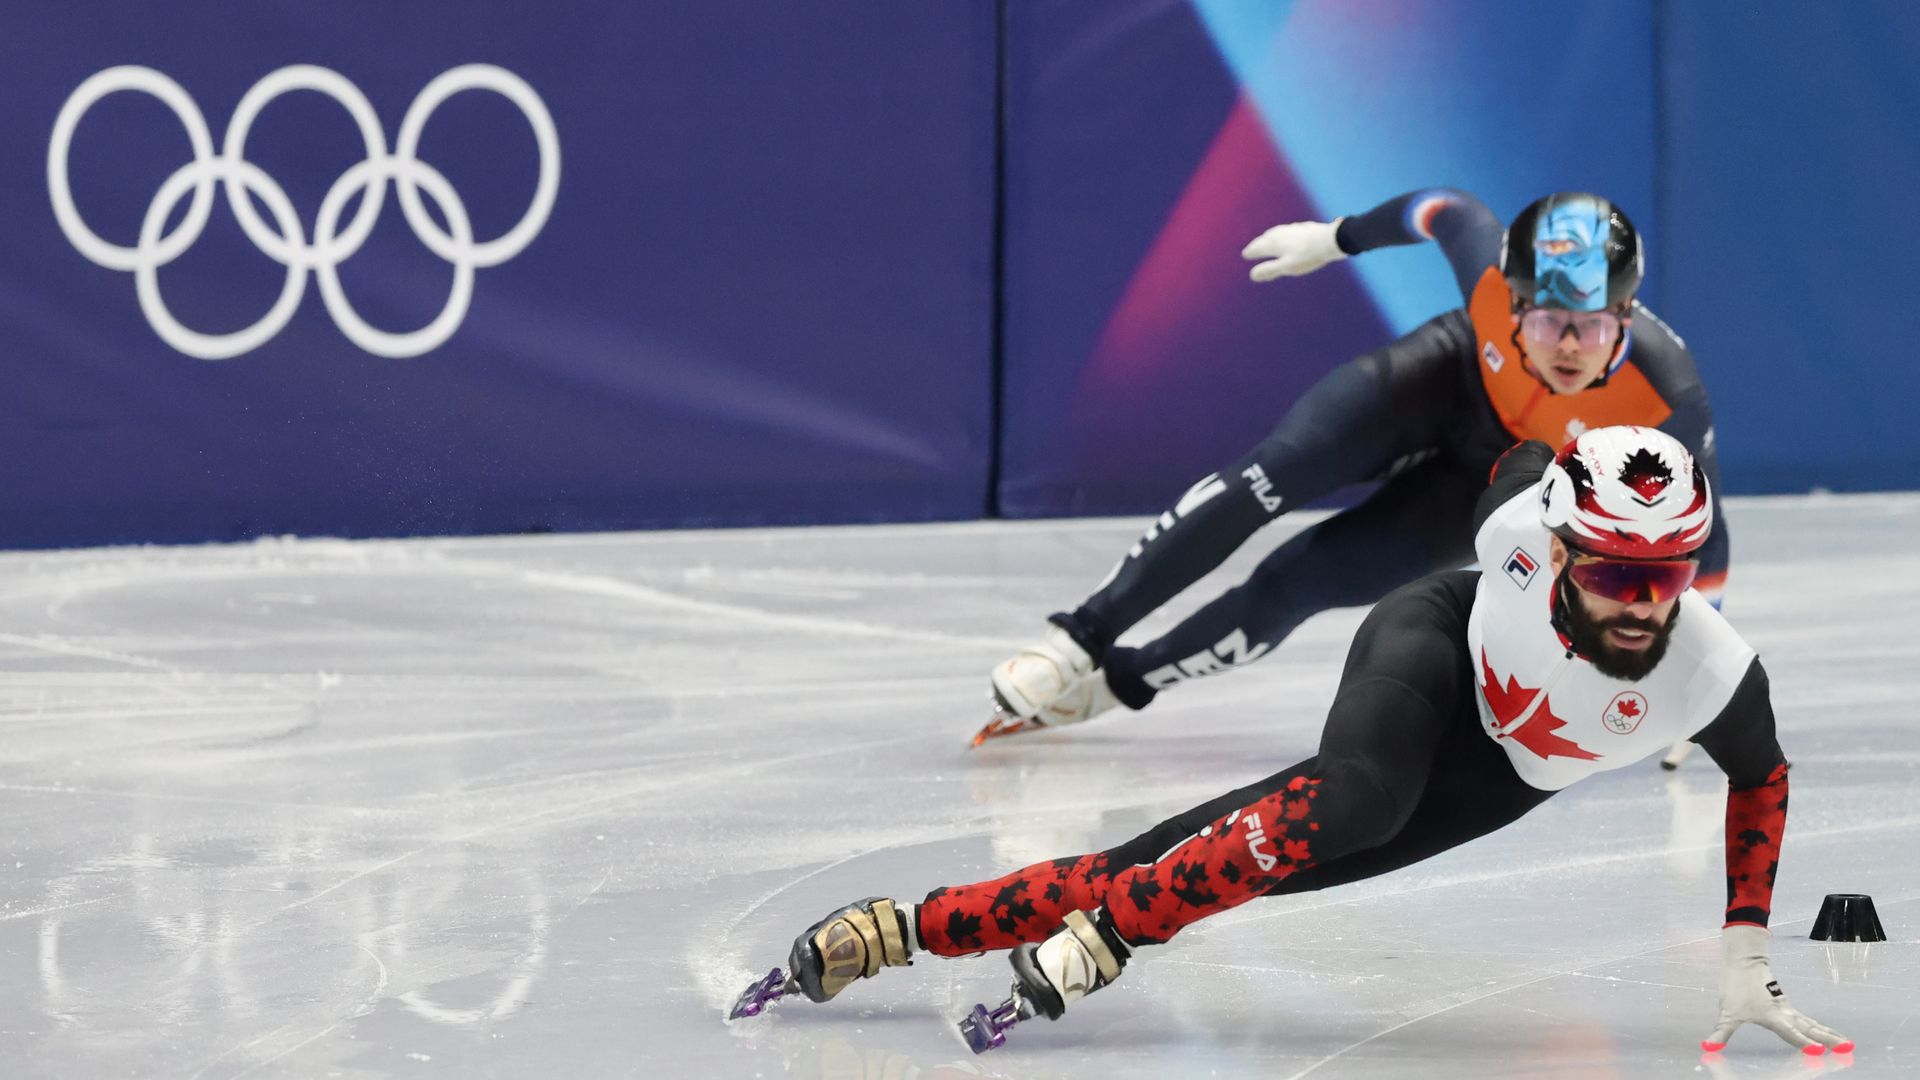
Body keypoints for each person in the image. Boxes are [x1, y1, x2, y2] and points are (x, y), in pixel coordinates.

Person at [735, 426, 1847, 1059]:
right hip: (1428, 646)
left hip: (1500, 774)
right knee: (1350, 799)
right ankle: (1119, 931)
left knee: (1221, 856)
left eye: (1667, 575)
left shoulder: (1712, 669)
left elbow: (1765, 777)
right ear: (1556, 553)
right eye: (1611, 571)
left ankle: (913, 926)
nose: (1643, 605)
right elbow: (1517, 451)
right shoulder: (1514, 522)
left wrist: (1746, 954)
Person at [977, 190, 1728, 761]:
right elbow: (1441, 209)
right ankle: (1080, 638)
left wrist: (1685, 674)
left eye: (1592, 327)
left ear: (1627, 316)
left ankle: (1117, 683)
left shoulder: (1669, 395)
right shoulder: (1488, 273)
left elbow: (1706, 544)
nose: (1567, 347)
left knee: (1297, 586)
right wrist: (1336, 239)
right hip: (1444, 377)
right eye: (1543, 322)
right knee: (1266, 479)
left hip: (1503, 475)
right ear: (1513, 298)